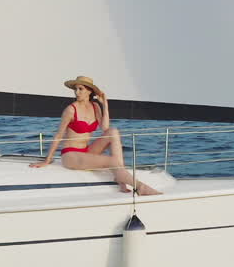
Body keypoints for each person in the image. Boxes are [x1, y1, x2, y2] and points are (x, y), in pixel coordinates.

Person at [29, 76, 161, 195]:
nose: (77, 92)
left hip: (87, 151)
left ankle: (120, 177)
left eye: (81, 89)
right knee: (111, 161)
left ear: (89, 91)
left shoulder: (95, 106)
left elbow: (105, 128)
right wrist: (47, 160)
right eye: (76, 89)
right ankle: (140, 187)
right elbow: (59, 135)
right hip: (70, 154)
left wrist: (105, 105)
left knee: (113, 132)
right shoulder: (71, 110)